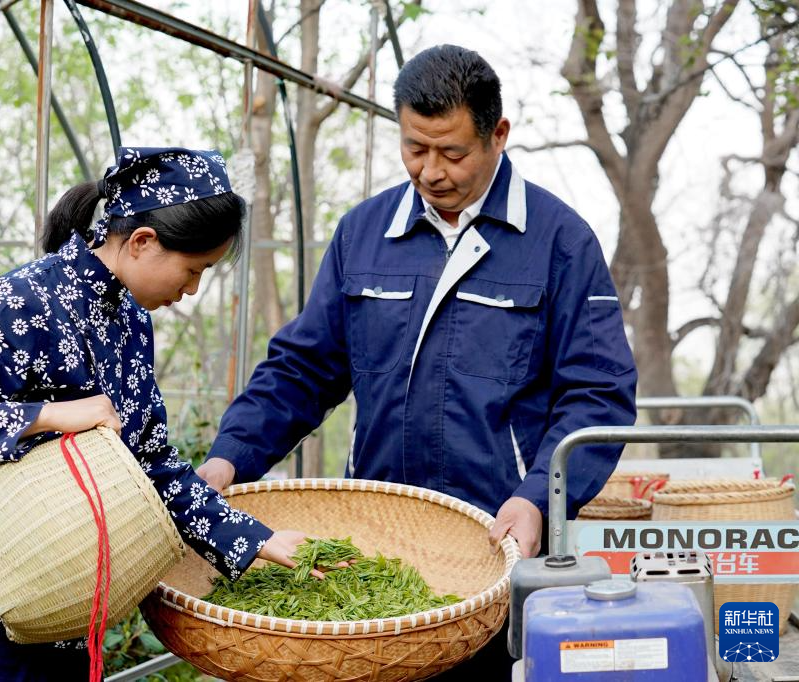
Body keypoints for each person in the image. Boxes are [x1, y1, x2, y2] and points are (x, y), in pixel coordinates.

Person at [196, 46, 638, 677]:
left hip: (497, 545)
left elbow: (598, 393)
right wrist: (228, 459)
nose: (430, 171)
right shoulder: (366, 232)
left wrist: (538, 498)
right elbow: (302, 369)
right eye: (414, 149)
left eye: (452, 152)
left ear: (498, 136)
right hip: (378, 542)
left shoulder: (559, 241)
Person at [0, 147, 333, 681]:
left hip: (71, 594)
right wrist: (51, 416)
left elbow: (149, 462)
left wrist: (258, 539)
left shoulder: (130, 319)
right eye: (193, 269)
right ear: (143, 242)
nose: (192, 288)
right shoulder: (25, 301)